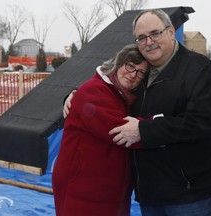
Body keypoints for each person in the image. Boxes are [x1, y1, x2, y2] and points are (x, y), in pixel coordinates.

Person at [64, 8, 211, 216]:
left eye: (155, 33)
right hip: (151, 195)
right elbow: (109, 98)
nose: (149, 42)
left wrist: (144, 130)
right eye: (141, 37)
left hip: (194, 194)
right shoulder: (138, 77)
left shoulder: (198, 69)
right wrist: (74, 96)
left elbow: (200, 122)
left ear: (171, 31)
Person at [52, 44, 148, 216]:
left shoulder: (122, 96)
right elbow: (119, 131)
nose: (133, 74)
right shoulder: (94, 90)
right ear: (118, 63)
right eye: (130, 66)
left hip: (104, 189)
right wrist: (159, 125)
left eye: (140, 72)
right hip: (83, 188)